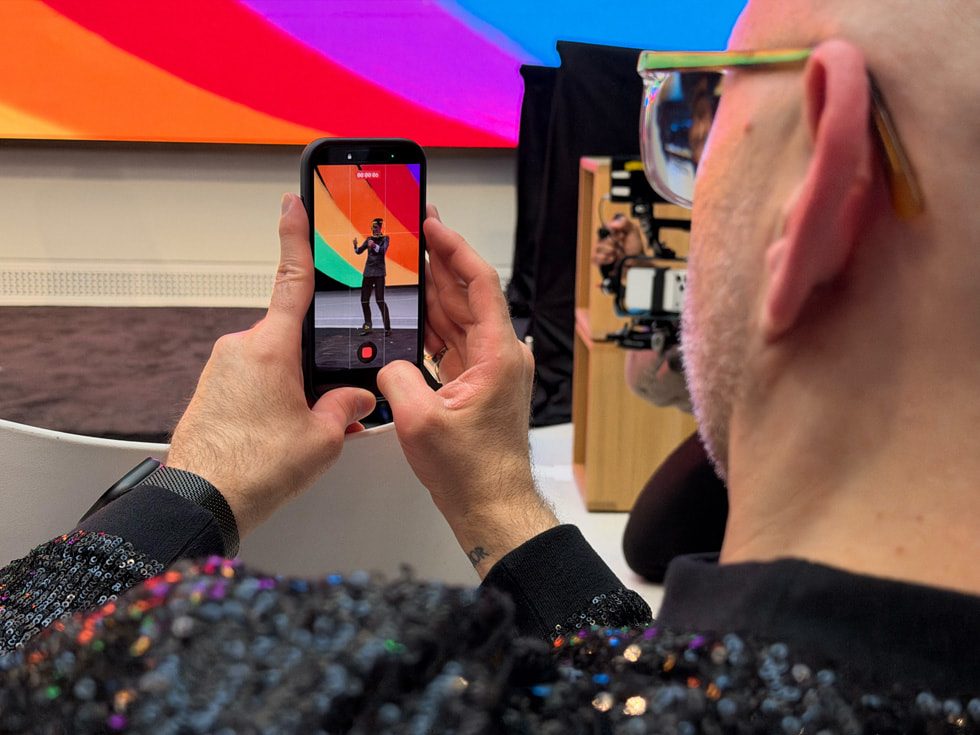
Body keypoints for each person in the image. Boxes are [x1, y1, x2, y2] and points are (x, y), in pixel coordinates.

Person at [3, 0, 980, 730]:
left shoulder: (383, 694)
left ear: (820, 177)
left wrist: (196, 476)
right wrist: (500, 499)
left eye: (698, 115)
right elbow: (653, 693)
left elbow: (31, 664)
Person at [353, 217, 392, 336]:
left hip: (379, 273)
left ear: (381, 228)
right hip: (368, 273)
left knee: (379, 300)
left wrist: (374, 245)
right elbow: (359, 251)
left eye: (376, 227)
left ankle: (387, 328)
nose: (374, 229)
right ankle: (368, 326)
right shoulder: (369, 239)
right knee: (364, 300)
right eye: (373, 227)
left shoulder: (385, 239)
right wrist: (355, 246)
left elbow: (382, 251)